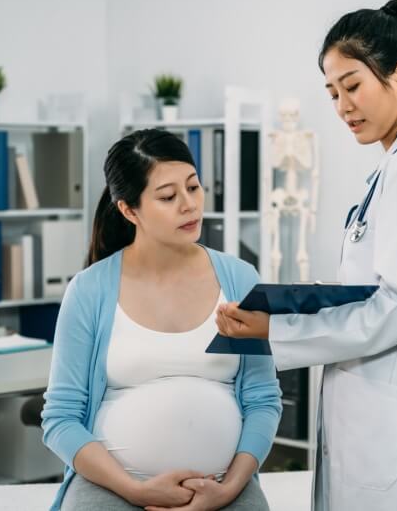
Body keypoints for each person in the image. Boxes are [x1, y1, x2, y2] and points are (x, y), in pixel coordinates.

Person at [216, 0, 397, 511]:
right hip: (381, 426)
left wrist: (279, 329)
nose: (341, 106)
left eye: (352, 86)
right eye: (332, 93)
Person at [42, 129, 282, 511]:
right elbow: (61, 419)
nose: (189, 205)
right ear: (129, 210)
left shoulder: (240, 280)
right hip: (113, 487)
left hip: (223, 486)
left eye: (193, 187)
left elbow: (263, 400)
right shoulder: (89, 290)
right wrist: (135, 490)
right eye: (168, 197)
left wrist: (231, 485)